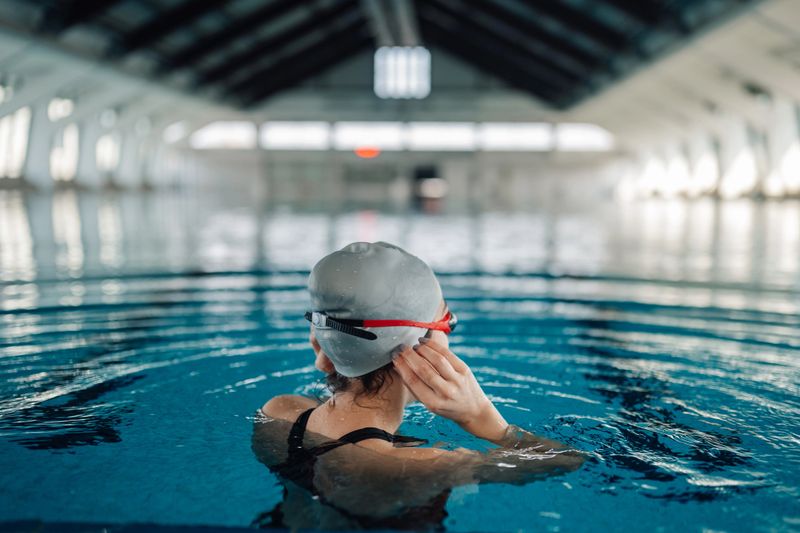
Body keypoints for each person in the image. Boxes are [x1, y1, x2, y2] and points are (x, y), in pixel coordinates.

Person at [252, 242, 584, 530]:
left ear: (318, 344)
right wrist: (486, 421)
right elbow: (566, 460)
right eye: (447, 322)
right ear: (419, 345)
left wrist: (333, 358)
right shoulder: (426, 466)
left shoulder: (279, 415)